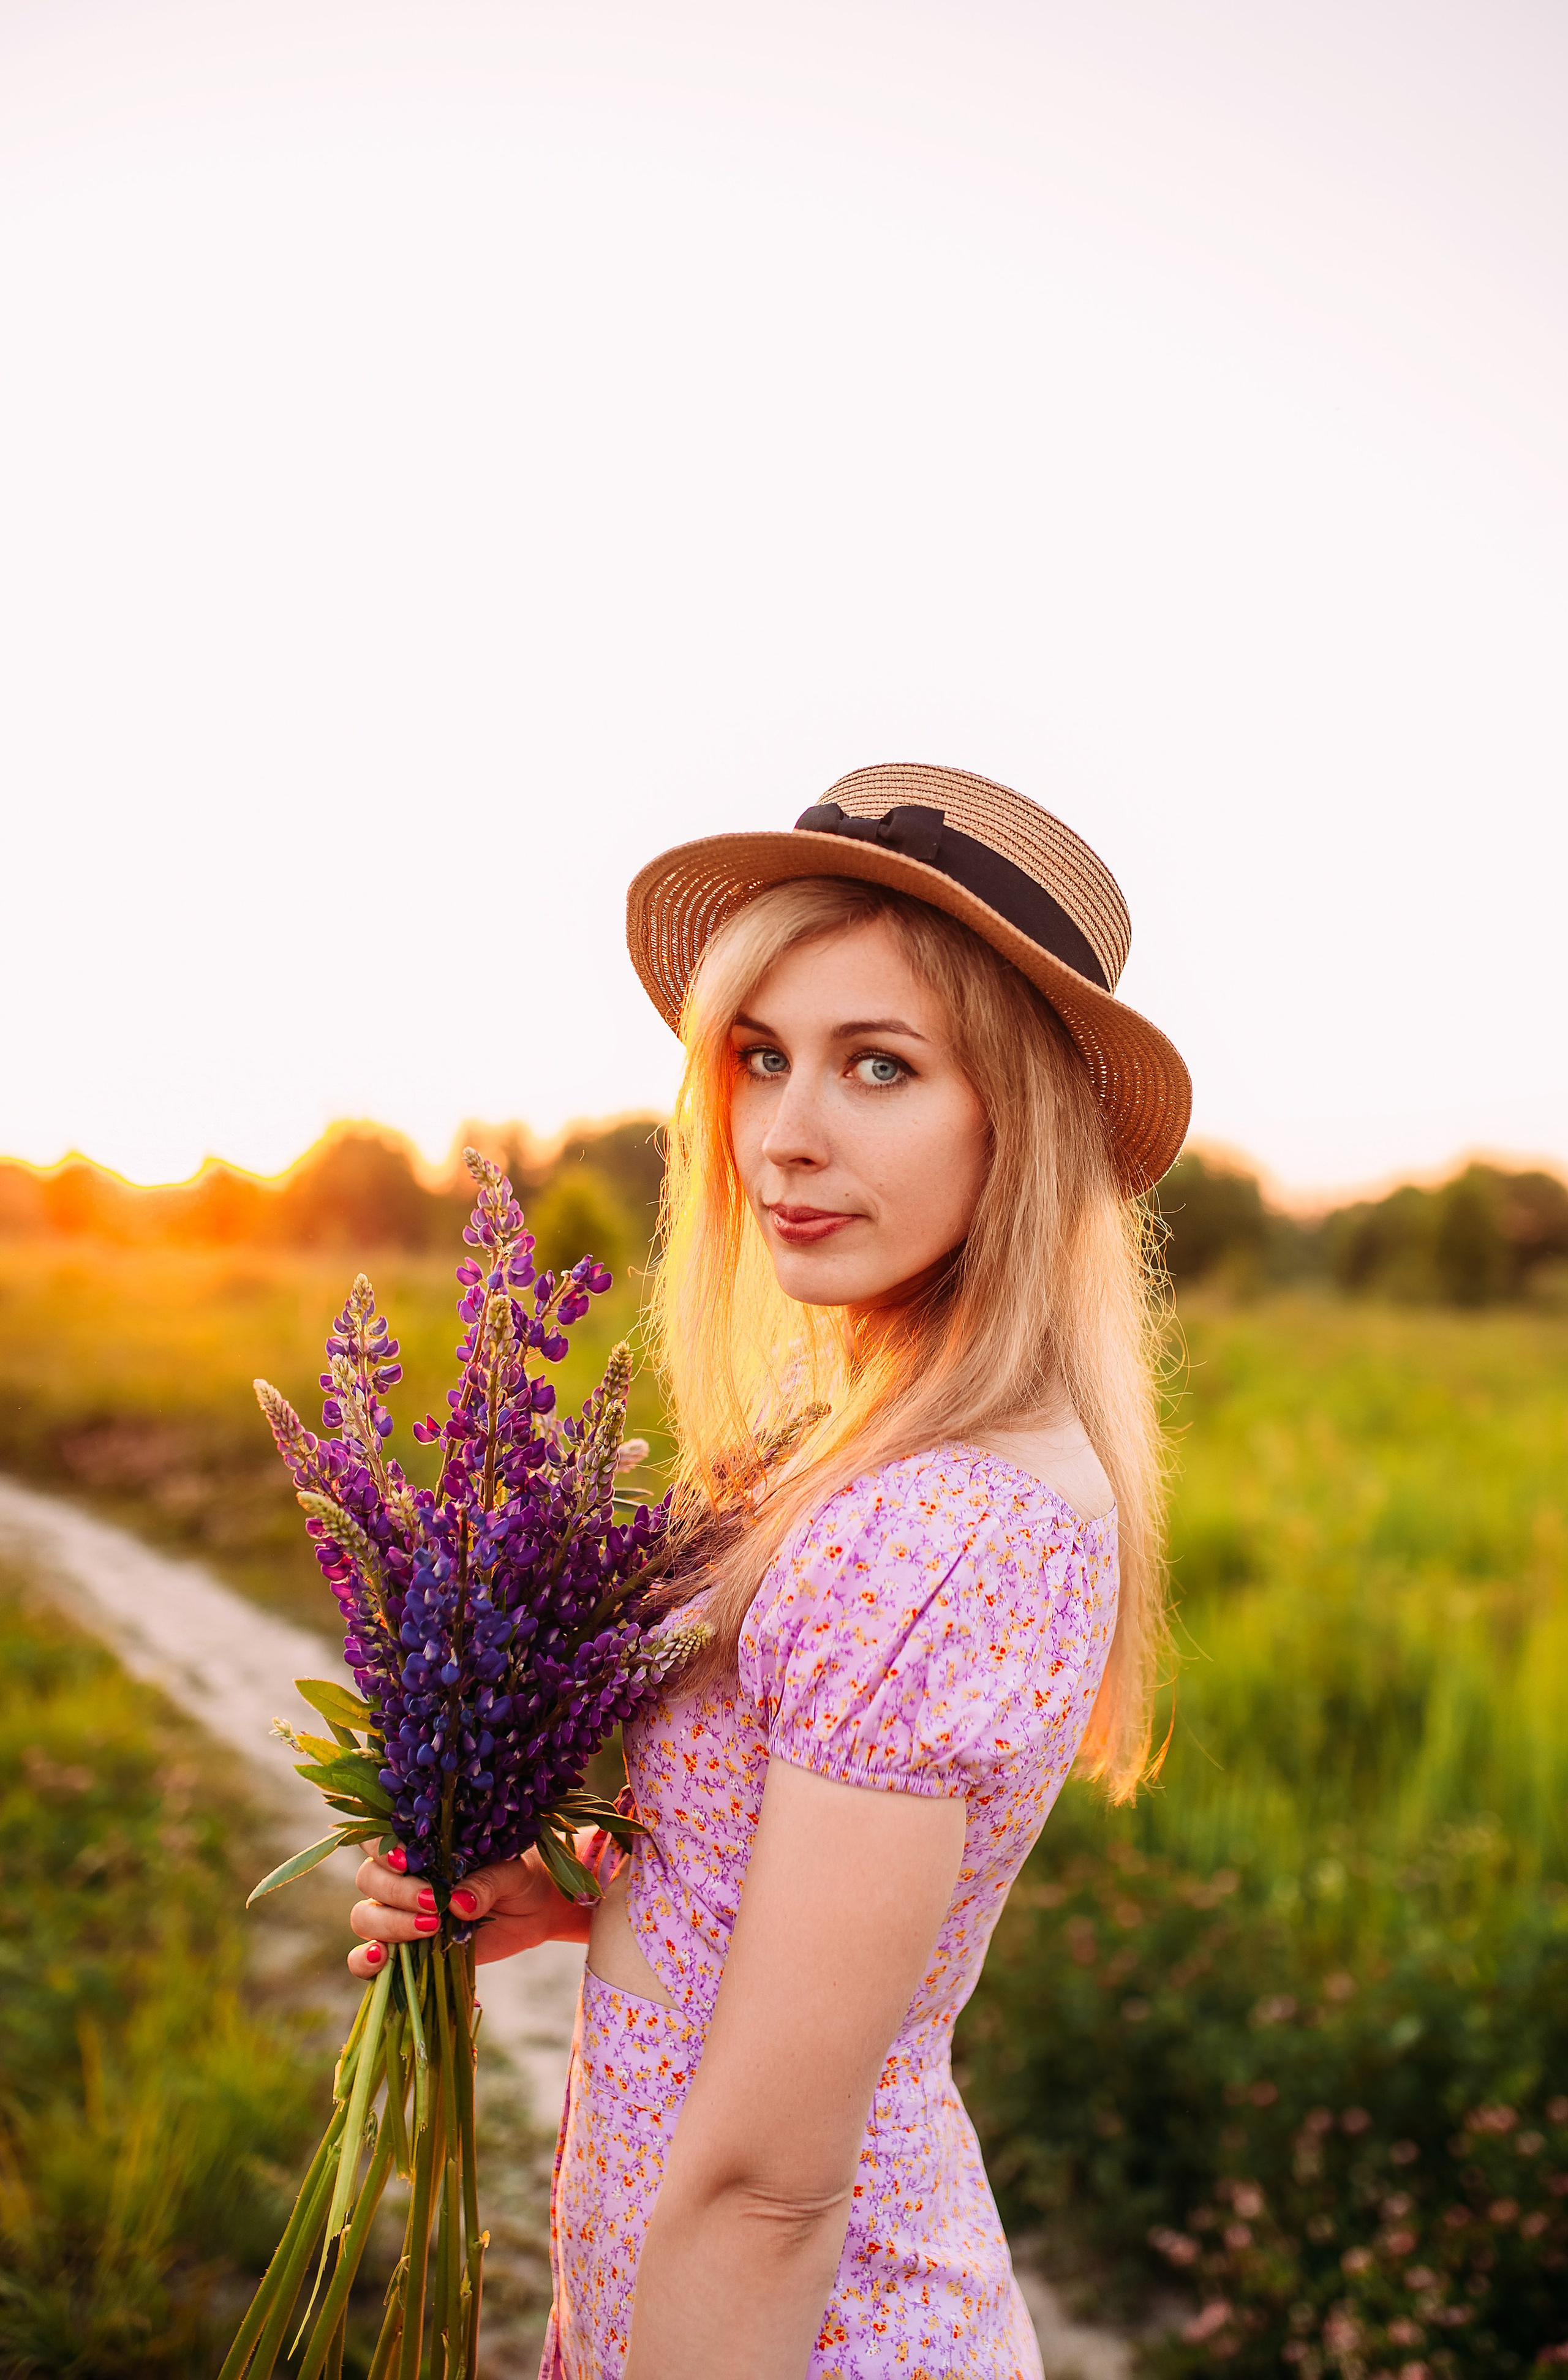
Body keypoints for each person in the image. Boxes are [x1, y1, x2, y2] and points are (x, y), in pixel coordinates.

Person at [347, 763, 1191, 2380]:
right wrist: (586, 1896)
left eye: (880, 1065)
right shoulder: (867, 1444)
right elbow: (789, 1884)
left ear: (1018, 1116)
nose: (786, 1137)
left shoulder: (941, 1523)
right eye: (759, 1058)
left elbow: (764, 2192)